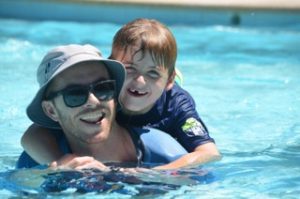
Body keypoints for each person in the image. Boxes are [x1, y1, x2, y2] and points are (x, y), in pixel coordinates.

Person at [21, 18, 221, 170]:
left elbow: (209, 153)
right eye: (75, 95)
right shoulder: (111, 92)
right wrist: (58, 164)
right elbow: (33, 134)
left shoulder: (176, 105)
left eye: (101, 88)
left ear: (168, 81)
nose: (139, 81)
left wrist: (155, 173)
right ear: (116, 71)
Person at [17, 44, 188, 170]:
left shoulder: (164, 154)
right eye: (75, 95)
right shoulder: (37, 163)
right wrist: (54, 175)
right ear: (51, 110)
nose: (93, 101)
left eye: (103, 88)